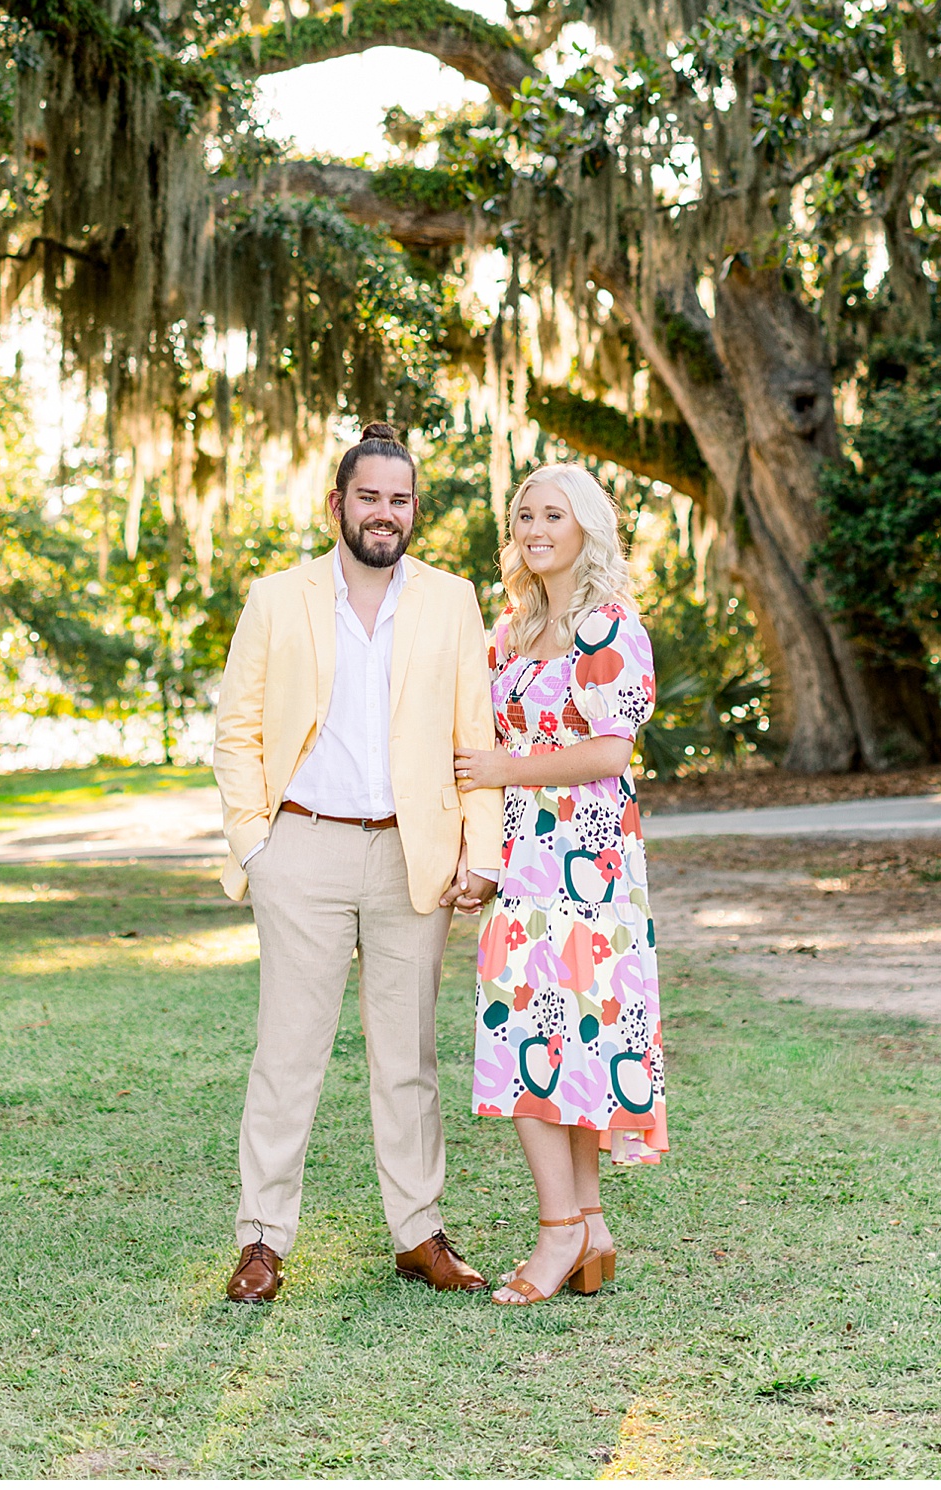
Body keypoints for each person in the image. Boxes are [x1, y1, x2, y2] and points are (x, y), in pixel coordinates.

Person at [212, 420, 504, 1303]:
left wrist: (479, 851)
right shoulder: (277, 598)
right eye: (369, 497)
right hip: (301, 847)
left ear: (416, 510)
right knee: (287, 1053)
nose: (385, 514)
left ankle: (419, 1233)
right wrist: (256, 847)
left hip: (413, 857)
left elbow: (474, 738)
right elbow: (238, 733)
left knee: (409, 1057)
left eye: (400, 500)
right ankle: (262, 1240)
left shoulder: (452, 601)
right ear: (337, 504)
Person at [453, 463, 666, 1306]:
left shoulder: (607, 627)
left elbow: (612, 752)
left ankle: (557, 1233)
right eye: (524, 514)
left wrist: (508, 768)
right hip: (525, 861)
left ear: (586, 528)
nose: (536, 527)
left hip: (590, 863)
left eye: (553, 514)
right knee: (558, 1039)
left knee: (537, 1038)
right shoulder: (512, 627)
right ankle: (589, 1224)